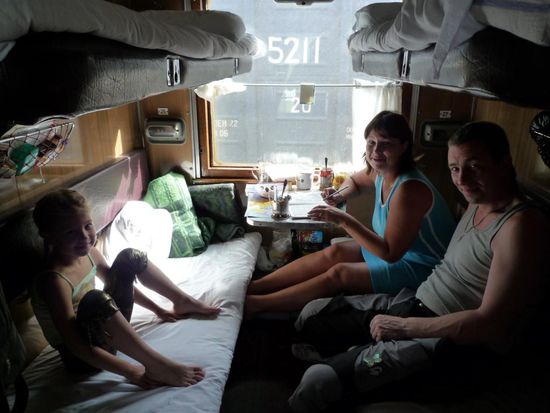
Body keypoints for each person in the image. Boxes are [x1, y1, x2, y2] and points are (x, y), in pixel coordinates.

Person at [287, 121, 550, 412]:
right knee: (312, 314)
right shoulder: (477, 201)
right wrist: (404, 318)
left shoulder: (520, 226)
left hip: (446, 344)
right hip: (415, 303)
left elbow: (490, 326)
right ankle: (353, 359)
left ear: (504, 163)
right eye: (454, 168)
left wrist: (404, 327)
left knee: (318, 381)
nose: (462, 179)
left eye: (475, 166)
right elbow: (363, 179)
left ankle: (353, 367)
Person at [245, 111, 456, 316]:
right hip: (397, 254)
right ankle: (257, 286)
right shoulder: (380, 172)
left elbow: (390, 254)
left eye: (385, 144)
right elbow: (355, 181)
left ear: (403, 146)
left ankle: (257, 304)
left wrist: (344, 220)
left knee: (340, 273)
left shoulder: (408, 189)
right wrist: (337, 196)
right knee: (334, 253)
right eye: (371, 142)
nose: (376, 151)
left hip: (424, 267)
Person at [30, 189, 221, 389]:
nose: (84, 237)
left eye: (87, 226)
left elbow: (120, 284)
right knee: (95, 298)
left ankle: (181, 301)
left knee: (130, 257)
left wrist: (157, 310)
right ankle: (155, 365)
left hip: (105, 333)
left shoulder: (90, 254)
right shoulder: (54, 280)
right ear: (49, 236)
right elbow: (76, 346)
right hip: (82, 359)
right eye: (70, 232)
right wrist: (131, 371)